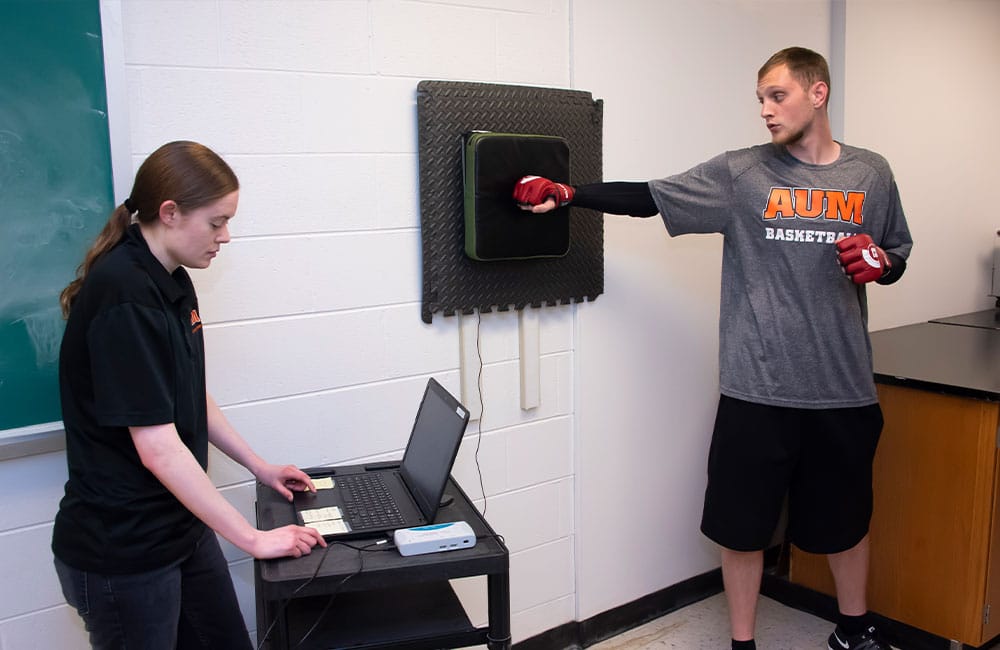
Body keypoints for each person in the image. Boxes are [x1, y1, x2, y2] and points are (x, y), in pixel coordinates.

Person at [514, 47, 912, 650]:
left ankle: (853, 631)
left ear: (818, 92)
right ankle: (742, 643)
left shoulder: (870, 173)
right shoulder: (742, 174)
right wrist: (572, 195)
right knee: (742, 527)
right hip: (757, 387)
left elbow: (896, 253)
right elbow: (651, 195)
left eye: (777, 96)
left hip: (843, 387)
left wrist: (884, 266)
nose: (766, 111)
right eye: (760, 100)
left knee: (846, 523)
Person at [53, 140, 326, 649]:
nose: (225, 237)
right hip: (125, 550)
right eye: (216, 222)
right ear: (170, 212)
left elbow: (188, 392)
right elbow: (157, 447)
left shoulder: (172, 278)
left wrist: (258, 466)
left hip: (178, 526)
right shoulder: (125, 293)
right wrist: (251, 538)